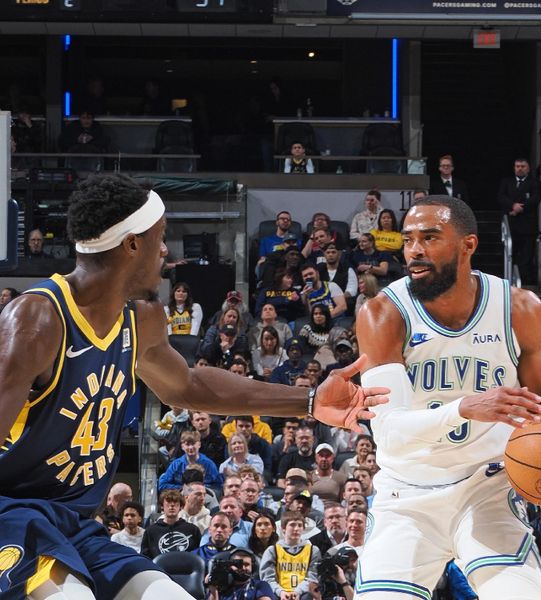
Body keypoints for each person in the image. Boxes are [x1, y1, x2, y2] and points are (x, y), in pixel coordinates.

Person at [0, 174, 388, 600]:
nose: (165, 251)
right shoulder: (38, 320)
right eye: (160, 237)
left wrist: (310, 401)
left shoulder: (140, 320)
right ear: (132, 245)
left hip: (76, 526)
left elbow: (188, 385)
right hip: (13, 518)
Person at [355, 195, 541, 598]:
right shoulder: (383, 313)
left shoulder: (518, 308)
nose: (414, 249)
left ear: (467, 245)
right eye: (409, 238)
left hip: (487, 488)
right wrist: (464, 408)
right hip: (406, 494)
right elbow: (390, 432)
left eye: (430, 238)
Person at [496, 157, 541, 285]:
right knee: (510, 254)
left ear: (528, 168)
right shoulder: (506, 182)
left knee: (527, 255)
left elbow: (535, 199)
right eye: (517, 166)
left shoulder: (534, 183)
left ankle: (525, 281)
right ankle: (507, 280)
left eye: (523, 166)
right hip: (511, 225)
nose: (520, 168)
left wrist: (520, 208)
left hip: (528, 226)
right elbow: (501, 197)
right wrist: (512, 205)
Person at [260, 510, 321, 600]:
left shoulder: (313, 550)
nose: (296, 529)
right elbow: (267, 579)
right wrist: (281, 592)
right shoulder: (272, 550)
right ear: (283, 528)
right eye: (292, 525)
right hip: (278, 593)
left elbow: (313, 578)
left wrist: (297, 591)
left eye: (300, 525)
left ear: (303, 529)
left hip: (303, 593)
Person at [140, 489, 202, 558]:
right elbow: (145, 557)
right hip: (159, 568)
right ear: (162, 506)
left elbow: (199, 555)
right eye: (168, 502)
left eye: (175, 502)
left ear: (181, 506)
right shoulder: (151, 531)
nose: (172, 505)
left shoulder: (193, 530)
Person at [206, 547, 276, 600]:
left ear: (253, 567)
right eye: (238, 564)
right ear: (230, 566)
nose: (243, 568)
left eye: (246, 564)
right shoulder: (221, 587)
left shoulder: (261, 585)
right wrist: (213, 588)